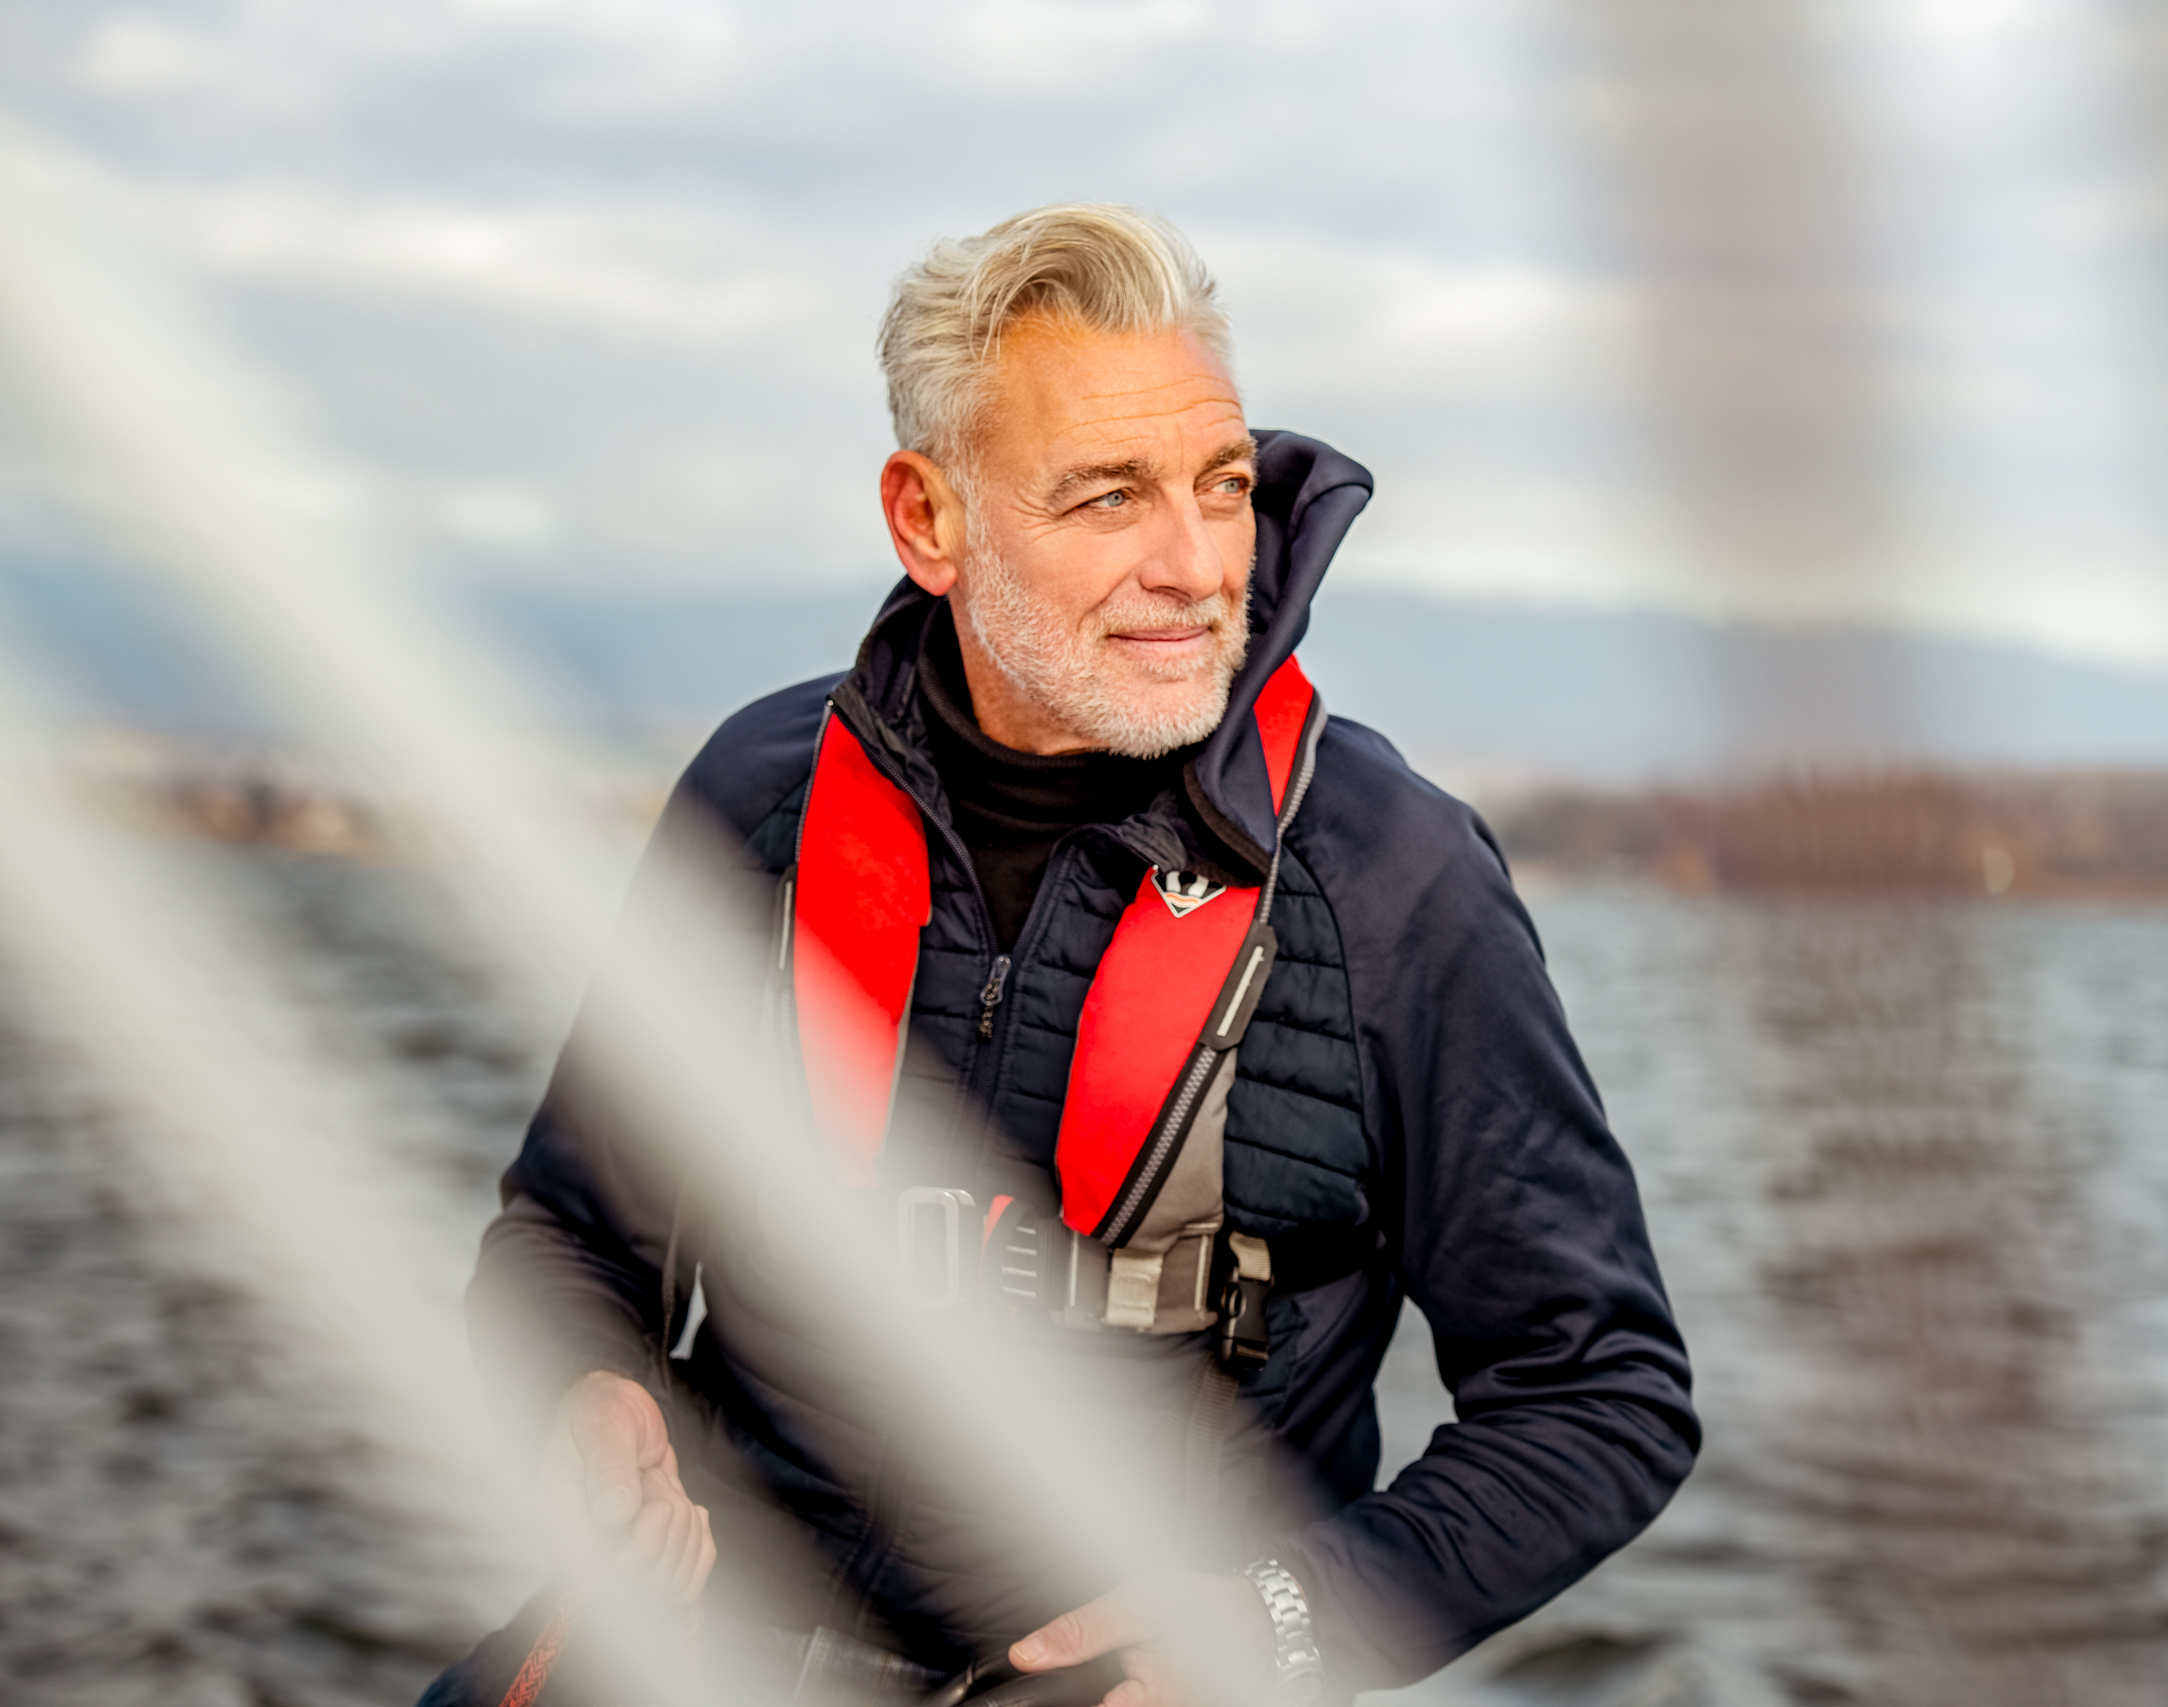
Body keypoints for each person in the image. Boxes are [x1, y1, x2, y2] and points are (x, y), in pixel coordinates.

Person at [422, 203, 1697, 1707]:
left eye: (1222, 487)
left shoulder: (1393, 879)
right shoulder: (757, 795)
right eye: (1108, 499)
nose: (1196, 564)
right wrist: (583, 1388)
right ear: (929, 520)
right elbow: (570, 1237)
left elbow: (1601, 1395)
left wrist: (1293, 1622)